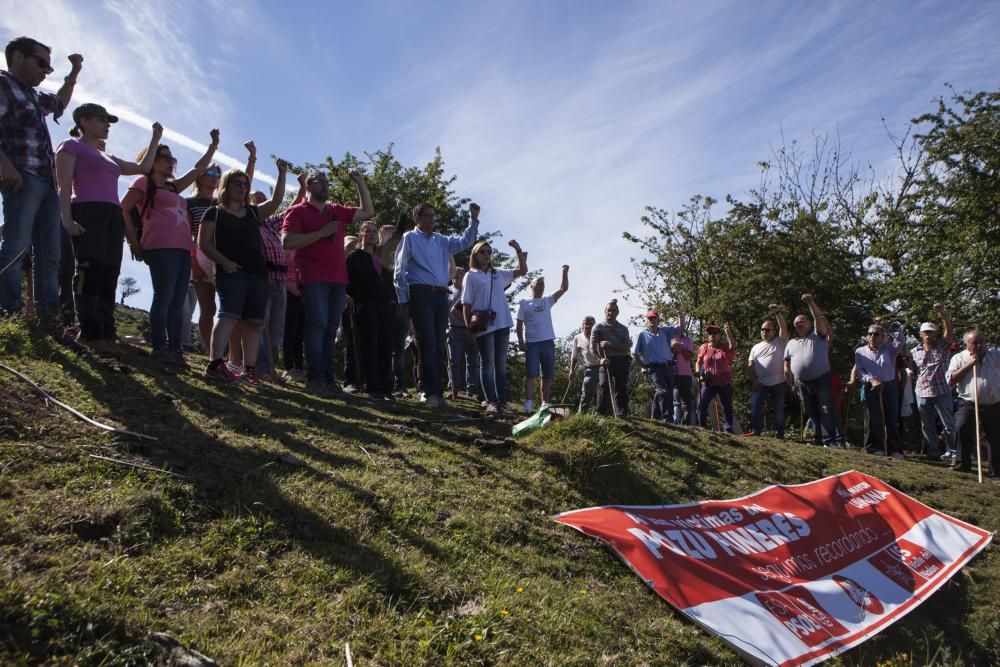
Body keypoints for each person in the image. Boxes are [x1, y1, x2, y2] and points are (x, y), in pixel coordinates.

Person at [55, 105, 162, 356]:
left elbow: (143, 168)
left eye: (109, 121)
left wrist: (155, 138)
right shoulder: (71, 146)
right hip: (87, 211)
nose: (108, 125)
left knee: (109, 273)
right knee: (89, 270)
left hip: (112, 216)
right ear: (85, 121)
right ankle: (89, 332)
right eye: (103, 120)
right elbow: (63, 187)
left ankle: (105, 333)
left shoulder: (108, 157)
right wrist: (67, 221)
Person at [0, 37, 82, 329]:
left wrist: (72, 74)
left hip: (47, 183)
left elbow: (60, 102)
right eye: (41, 63)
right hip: (22, 176)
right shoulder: (3, 85)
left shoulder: (34, 96)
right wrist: (5, 165)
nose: (45, 71)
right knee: (16, 244)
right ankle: (7, 314)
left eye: (49, 67)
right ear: (18, 57)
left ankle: (49, 322)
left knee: (50, 253)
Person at [122, 130, 220, 367]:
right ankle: (159, 346)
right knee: (164, 296)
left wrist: (213, 147)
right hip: (159, 246)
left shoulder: (173, 188)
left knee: (178, 300)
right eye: (164, 157)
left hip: (183, 248)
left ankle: (175, 349)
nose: (170, 162)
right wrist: (134, 242)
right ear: (152, 160)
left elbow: (197, 170)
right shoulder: (143, 182)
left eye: (171, 159)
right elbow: (123, 208)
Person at [282, 171, 374, 397]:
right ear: (308, 185)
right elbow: (287, 242)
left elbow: (368, 211)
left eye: (326, 182)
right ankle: (315, 379)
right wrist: (321, 233)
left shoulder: (337, 211)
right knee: (317, 326)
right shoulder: (297, 212)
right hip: (313, 278)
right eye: (320, 182)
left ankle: (329, 379)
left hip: (338, 280)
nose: (325, 185)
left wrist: (360, 182)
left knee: (330, 329)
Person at [198, 160, 287, 386]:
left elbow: (276, 201)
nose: (242, 187)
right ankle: (215, 364)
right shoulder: (213, 213)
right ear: (226, 186)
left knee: (254, 323)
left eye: (245, 184)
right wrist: (225, 262)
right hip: (231, 273)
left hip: (258, 274)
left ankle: (249, 370)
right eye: (237, 183)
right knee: (229, 315)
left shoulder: (252, 213)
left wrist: (281, 174)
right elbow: (204, 244)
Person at [394, 202, 481, 408]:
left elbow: (465, 242)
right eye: (428, 216)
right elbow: (400, 269)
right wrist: (403, 300)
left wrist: (474, 219)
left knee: (439, 344)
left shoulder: (441, 240)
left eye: (434, 216)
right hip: (420, 293)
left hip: (441, 295)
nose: (433, 219)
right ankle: (428, 391)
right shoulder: (410, 238)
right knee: (427, 343)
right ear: (417, 218)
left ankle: (438, 393)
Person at [185, 143, 257, 353]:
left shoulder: (222, 203)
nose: (214, 176)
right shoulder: (190, 202)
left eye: (217, 173)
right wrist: (194, 264)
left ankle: (234, 360)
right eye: (209, 172)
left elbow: (245, 181)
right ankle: (211, 355)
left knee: (232, 311)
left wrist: (252, 158)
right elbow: (187, 234)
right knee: (208, 309)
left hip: (227, 256)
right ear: (199, 175)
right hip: (202, 256)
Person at [462, 239, 528, 414]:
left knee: (500, 364)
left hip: (503, 323)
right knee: (487, 363)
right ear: (475, 255)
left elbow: (522, 270)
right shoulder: (471, 275)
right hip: (483, 325)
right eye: (483, 252)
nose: (487, 255)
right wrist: (469, 329)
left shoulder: (498, 274)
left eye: (489, 252)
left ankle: (502, 402)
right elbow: (466, 304)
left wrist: (518, 249)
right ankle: (490, 401)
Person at [255, 176, 307, 378]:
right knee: (261, 323)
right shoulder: (249, 224)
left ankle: (269, 366)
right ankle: (259, 366)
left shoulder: (269, 224)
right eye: (257, 201)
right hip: (263, 277)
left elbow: (290, 211)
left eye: (264, 200)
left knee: (276, 328)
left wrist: (302, 189)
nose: (262, 203)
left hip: (279, 278)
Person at [783, 294, 845, 447]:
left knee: (825, 410)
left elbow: (819, 318)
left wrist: (811, 302)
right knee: (811, 411)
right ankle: (820, 440)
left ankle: (832, 441)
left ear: (810, 324)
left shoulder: (818, 336)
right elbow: (786, 365)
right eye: (796, 322)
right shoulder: (791, 343)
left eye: (802, 321)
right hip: (801, 383)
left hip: (821, 379)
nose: (799, 324)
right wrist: (790, 383)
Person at [346, 220, 397, 400]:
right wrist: (348, 296)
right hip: (366, 305)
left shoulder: (382, 258)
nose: (371, 234)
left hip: (386, 306)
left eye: (374, 231)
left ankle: (386, 387)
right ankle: (373, 387)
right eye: (367, 231)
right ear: (360, 234)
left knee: (385, 346)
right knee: (369, 345)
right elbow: (348, 283)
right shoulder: (354, 256)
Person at [946, 330, 1000, 475]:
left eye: (981, 341)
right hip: (968, 402)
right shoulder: (959, 358)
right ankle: (962, 464)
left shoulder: (996, 355)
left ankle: (996, 470)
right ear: (967, 345)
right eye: (974, 343)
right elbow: (951, 380)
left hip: (994, 403)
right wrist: (969, 364)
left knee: (995, 436)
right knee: (961, 426)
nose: (979, 345)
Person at [516, 265, 569, 411]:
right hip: (532, 343)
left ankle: (544, 404)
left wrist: (564, 272)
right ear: (531, 286)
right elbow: (519, 324)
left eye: (543, 285)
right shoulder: (524, 303)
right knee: (531, 374)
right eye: (538, 284)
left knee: (547, 375)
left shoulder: (547, 300)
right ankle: (528, 403)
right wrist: (521, 341)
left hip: (548, 342)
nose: (540, 287)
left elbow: (563, 289)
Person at [906, 304, 955, 460]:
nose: (928, 335)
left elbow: (949, 331)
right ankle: (933, 451)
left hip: (942, 390)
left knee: (948, 423)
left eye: (931, 332)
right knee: (926, 425)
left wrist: (942, 314)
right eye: (925, 332)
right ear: (921, 334)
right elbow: (913, 369)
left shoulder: (942, 346)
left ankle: (952, 451)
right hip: (922, 391)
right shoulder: (914, 351)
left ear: (936, 334)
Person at [854, 323, 908, 459]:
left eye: (876, 334)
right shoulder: (860, 352)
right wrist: (871, 380)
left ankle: (894, 449)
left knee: (892, 417)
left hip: (889, 386)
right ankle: (878, 447)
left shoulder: (890, 348)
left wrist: (891, 328)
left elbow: (901, 339)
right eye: (870, 333)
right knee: (875, 418)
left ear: (882, 336)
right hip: (871, 386)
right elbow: (860, 371)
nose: (872, 336)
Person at [748, 304, 791, 438]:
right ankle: (756, 432)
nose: (764, 332)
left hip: (779, 382)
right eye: (762, 329)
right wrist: (754, 379)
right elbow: (750, 365)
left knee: (778, 409)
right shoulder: (755, 347)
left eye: (767, 329)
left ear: (774, 331)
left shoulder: (781, 342)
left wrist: (777, 313)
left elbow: (784, 328)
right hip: (760, 383)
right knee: (755, 406)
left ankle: (780, 435)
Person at [632, 310, 682, 423]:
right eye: (650, 318)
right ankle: (667, 420)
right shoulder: (641, 334)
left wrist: (679, 312)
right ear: (646, 320)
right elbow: (634, 353)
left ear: (658, 320)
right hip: (654, 368)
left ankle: (656, 418)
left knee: (667, 392)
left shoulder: (665, 331)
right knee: (663, 392)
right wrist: (643, 366)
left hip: (668, 367)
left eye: (654, 318)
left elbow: (679, 328)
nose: (652, 320)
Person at [590, 299, 631, 417]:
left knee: (621, 387)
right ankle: (601, 412)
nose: (610, 313)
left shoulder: (623, 329)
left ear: (617, 313)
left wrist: (610, 345)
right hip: (606, 361)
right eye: (608, 310)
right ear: (604, 312)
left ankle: (621, 412)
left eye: (613, 311)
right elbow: (592, 347)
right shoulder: (598, 327)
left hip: (622, 360)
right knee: (603, 384)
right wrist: (599, 360)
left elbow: (627, 347)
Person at [447, 267, 481, 400]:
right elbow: (442, 311)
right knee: (454, 360)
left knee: (473, 360)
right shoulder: (447, 291)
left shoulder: (470, 291)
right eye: (458, 273)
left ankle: (472, 389)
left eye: (463, 273)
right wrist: (445, 327)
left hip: (471, 330)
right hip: (453, 329)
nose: (461, 275)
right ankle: (454, 388)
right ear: (453, 276)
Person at [696, 323, 737, 432]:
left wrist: (728, 333)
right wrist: (698, 373)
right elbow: (699, 361)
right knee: (702, 404)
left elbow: (733, 346)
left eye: (715, 333)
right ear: (707, 335)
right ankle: (701, 426)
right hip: (708, 382)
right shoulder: (704, 347)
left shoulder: (725, 346)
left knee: (727, 406)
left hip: (724, 381)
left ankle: (728, 428)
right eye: (710, 333)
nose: (712, 335)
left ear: (720, 335)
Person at [570, 316, 599, 413]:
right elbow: (574, 356)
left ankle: (602, 413)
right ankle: (581, 414)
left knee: (602, 392)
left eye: (590, 324)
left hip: (603, 367)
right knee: (586, 392)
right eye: (585, 324)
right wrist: (572, 370)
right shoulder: (577, 338)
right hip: (590, 368)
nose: (587, 326)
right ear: (582, 325)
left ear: (594, 325)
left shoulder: (599, 336)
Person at [672, 315, 696, 425]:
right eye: (678, 325)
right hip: (671, 374)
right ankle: (673, 423)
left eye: (682, 325)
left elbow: (689, 357)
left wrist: (681, 347)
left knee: (686, 401)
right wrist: (673, 347)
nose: (680, 327)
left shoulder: (688, 340)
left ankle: (686, 424)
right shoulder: (668, 339)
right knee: (674, 401)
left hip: (685, 374)